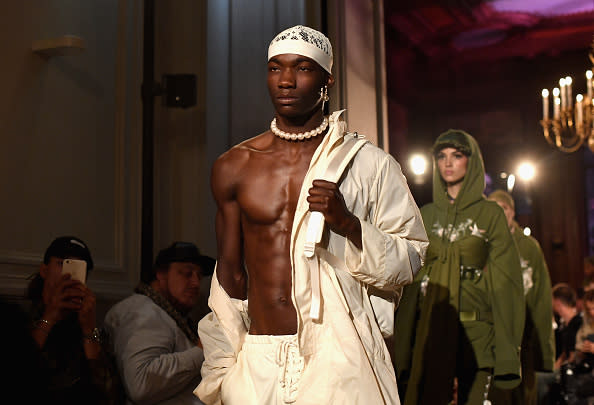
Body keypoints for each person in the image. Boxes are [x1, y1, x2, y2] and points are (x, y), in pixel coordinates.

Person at [195, 25, 428, 405]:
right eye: (275, 68)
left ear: (327, 79)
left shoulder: (369, 165)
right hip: (257, 360)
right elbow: (230, 277)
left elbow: (411, 258)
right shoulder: (235, 166)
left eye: (302, 68)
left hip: (338, 355)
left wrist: (350, 225)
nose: (286, 81)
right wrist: (224, 366)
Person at [393, 130, 525, 405]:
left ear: (472, 161)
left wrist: (507, 350)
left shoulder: (490, 214)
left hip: (477, 328)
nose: (448, 163)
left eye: (457, 155)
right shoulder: (425, 214)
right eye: (441, 156)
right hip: (431, 325)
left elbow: (506, 282)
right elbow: (409, 275)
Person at [103, 241, 212, 405]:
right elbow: (141, 384)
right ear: (161, 274)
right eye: (187, 273)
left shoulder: (171, 315)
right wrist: (202, 351)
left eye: (199, 275)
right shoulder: (142, 311)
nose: (196, 283)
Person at [26, 235, 124, 404]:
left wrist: (88, 329)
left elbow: (108, 393)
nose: (69, 274)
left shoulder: (86, 321)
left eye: (79, 267)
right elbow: (14, 375)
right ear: (44, 270)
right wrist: (50, 317)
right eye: (62, 263)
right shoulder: (20, 316)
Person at [487, 189, 555, 405]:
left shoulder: (529, 247)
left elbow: (542, 297)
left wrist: (544, 350)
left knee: (524, 396)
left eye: (504, 208)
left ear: (513, 212)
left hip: (524, 335)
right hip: (492, 337)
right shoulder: (481, 245)